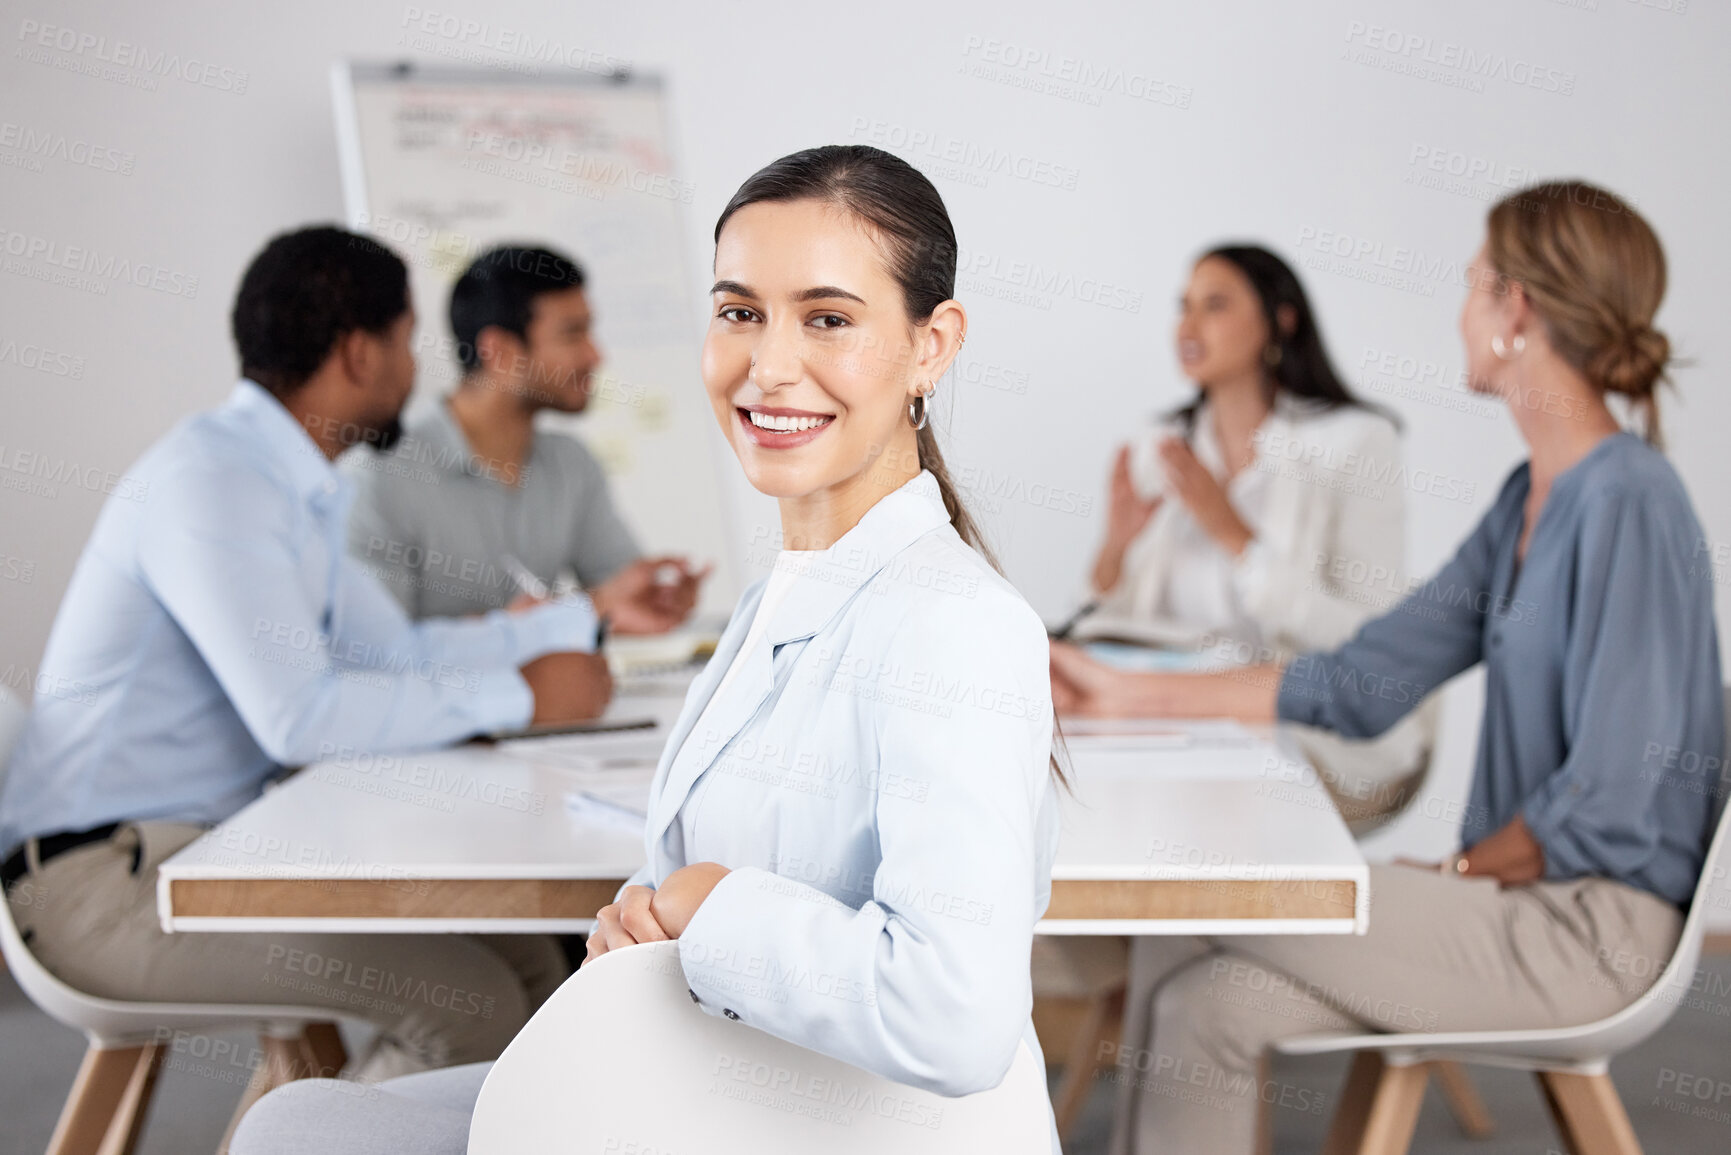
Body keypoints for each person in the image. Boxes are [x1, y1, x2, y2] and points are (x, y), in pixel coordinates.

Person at [232, 145, 1066, 1154]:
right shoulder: (782, 594)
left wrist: (706, 909)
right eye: (740, 312)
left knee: (302, 1138)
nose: (769, 363)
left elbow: (955, 1014)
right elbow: (720, 884)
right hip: (731, 1074)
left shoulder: (955, 623)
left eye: (829, 319)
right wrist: (650, 922)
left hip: (820, 1120)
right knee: (292, 1115)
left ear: (931, 347)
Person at [1049, 181, 1724, 1153]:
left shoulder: (1631, 503)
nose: (1462, 308)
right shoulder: (1524, 501)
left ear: (1517, 312)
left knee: (1192, 903)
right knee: (1208, 1004)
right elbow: (1361, 680)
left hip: (1586, 937)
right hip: (1517, 907)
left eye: (1473, 284)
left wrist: (1458, 871)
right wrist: (1128, 687)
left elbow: (1616, 797)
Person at [0, 226, 613, 1081]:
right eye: (405, 342)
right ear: (360, 353)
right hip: (103, 889)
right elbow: (300, 716)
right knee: (474, 1005)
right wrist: (522, 696)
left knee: (530, 965)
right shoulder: (212, 482)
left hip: (201, 853)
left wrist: (563, 629)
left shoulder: (294, 484)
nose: (416, 369)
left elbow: (395, 654)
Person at [1083, 244, 1432, 828]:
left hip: (1290, 722)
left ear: (1281, 320)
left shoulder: (1356, 445)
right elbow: (1108, 623)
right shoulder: (1160, 447)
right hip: (1171, 715)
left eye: (1215, 305)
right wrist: (1116, 545)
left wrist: (1230, 529)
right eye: (1183, 306)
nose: (1189, 326)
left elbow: (1368, 641)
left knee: (1209, 814)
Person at [345, 244, 707, 633]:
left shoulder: (571, 464)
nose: (594, 356)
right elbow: (376, 649)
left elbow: (616, 589)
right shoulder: (379, 476)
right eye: (572, 335)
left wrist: (651, 598)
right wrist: (569, 615)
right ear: (498, 351)